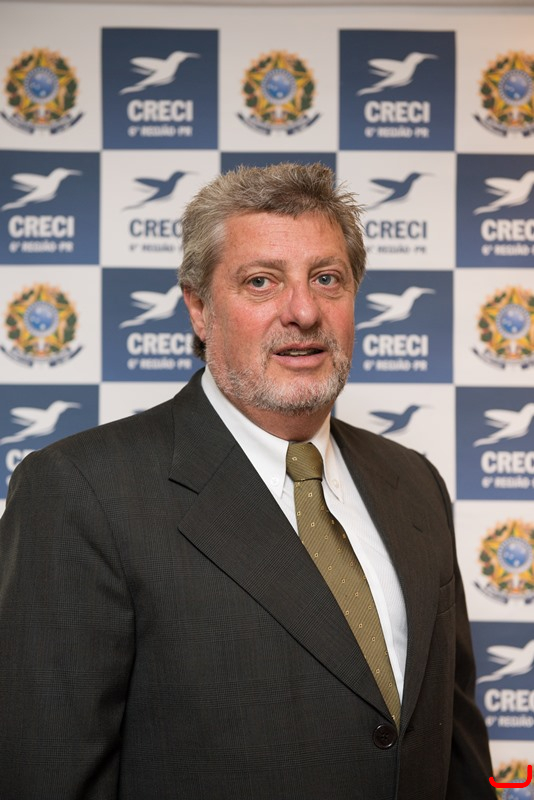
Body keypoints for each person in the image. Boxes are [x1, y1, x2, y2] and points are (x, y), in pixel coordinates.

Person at [0, 163, 496, 800]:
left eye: (327, 278)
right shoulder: (79, 492)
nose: (303, 311)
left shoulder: (414, 482)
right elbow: (44, 772)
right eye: (262, 281)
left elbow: (455, 753)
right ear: (199, 309)